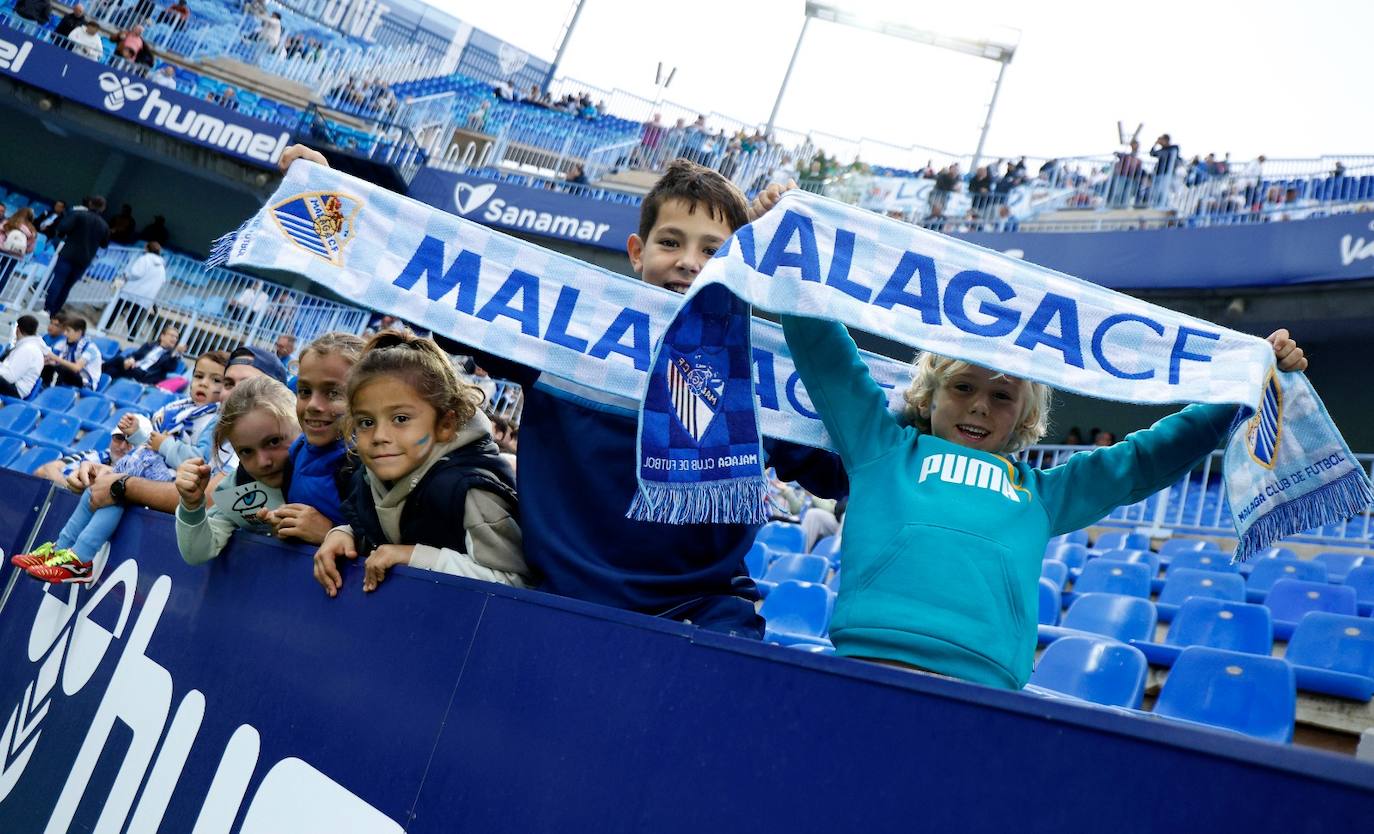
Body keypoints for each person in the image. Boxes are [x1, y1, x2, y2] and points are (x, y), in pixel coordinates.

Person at [281, 145, 844, 634]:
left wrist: (800, 276)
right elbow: (440, 276)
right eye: (671, 242)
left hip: (702, 615)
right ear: (636, 251)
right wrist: (338, 191)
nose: (690, 263)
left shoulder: (763, 374)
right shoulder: (564, 330)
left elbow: (857, 462)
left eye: (714, 251)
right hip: (553, 603)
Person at [779, 290, 1309, 687]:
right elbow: (829, 358)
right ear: (929, 395)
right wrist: (790, 255)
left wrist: (1239, 388)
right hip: (860, 667)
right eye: (963, 388)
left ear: (1024, 417)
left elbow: (1142, 459)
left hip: (984, 688)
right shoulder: (880, 448)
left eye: (1002, 396)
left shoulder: (1043, 493)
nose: (981, 406)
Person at [313, 331, 526, 594]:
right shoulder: (367, 476)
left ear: (445, 425)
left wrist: (413, 557)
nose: (379, 436)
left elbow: (513, 582)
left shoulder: (471, 491)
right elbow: (380, 531)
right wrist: (344, 536)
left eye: (401, 419)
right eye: (366, 422)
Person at [12, 351, 227, 583]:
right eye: (199, 376)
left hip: (173, 483)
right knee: (98, 489)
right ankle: (61, 547)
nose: (204, 383)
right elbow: (151, 445)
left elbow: (197, 460)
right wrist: (137, 434)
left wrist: (164, 444)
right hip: (151, 469)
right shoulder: (178, 408)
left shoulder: (215, 420)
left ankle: (81, 559)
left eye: (216, 380)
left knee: (116, 493)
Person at [175, 376, 299, 565]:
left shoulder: (339, 470)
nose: (263, 462)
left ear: (302, 426)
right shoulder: (239, 487)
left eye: (274, 441)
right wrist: (191, 507)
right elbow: (197, 554)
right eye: (246, 451)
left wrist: (328, 532)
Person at [256, 332, 362, 546]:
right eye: (304, 391)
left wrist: (330, 534)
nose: (313, 404)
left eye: (333, 394)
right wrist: (283, 523)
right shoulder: (297, 449)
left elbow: (386, 552)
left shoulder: (363, 467)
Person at [45, 195, 110, 315]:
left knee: (58, 280)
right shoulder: (104, 225)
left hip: (68, 253)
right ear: (103, 208)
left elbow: (62, 228)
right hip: (84, 259)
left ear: (90, 204)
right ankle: (54, 312)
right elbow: (104, 244)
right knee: (67, 286)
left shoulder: (79, 214)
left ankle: (47, 308)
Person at [34, 421, 135, 488]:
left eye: (130, 442)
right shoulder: (90, 455)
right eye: (118, 438)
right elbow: (43, 470)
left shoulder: (139, 473)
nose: (122, 446)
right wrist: (69, 491)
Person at [118, 240, 167, 335]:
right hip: (144, 298)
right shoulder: (161, 267)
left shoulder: (145, 259)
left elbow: (136, 273)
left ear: (147, 248)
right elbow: (163, 281)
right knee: (133, 319)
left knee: (115, 311)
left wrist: (126, 275)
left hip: (131, 293)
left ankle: (104, 327)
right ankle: (131, 337)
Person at [41, 316, 101, 390]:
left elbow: (76, 368)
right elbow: (53, 358)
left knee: (61, 369)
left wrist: (55, 358)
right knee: (47, 365)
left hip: (85, 382)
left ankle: (50, 390)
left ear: (79, 332)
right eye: (65, 331)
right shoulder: (64, 343)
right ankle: (42, 388)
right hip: (69, 375)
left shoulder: (90, 348)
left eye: (68, 331)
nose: (65, 334)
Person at [107, 323, 180, 383]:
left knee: (118, 359)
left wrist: (174, 354)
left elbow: (170, 368)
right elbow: (134, 355)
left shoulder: (172, 356)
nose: (174, 339)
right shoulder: (149, 345)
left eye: (176, 338)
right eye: (172, 336)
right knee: (113, 371)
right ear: (162, 336)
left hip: (145, 375)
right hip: (134, 368)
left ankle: (98, 370)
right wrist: (131, 359)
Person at [0, 315, 48, 399]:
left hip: (15, 390)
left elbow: (10, 377)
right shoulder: (27, 346)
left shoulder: (28, 349)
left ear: (17, 329)